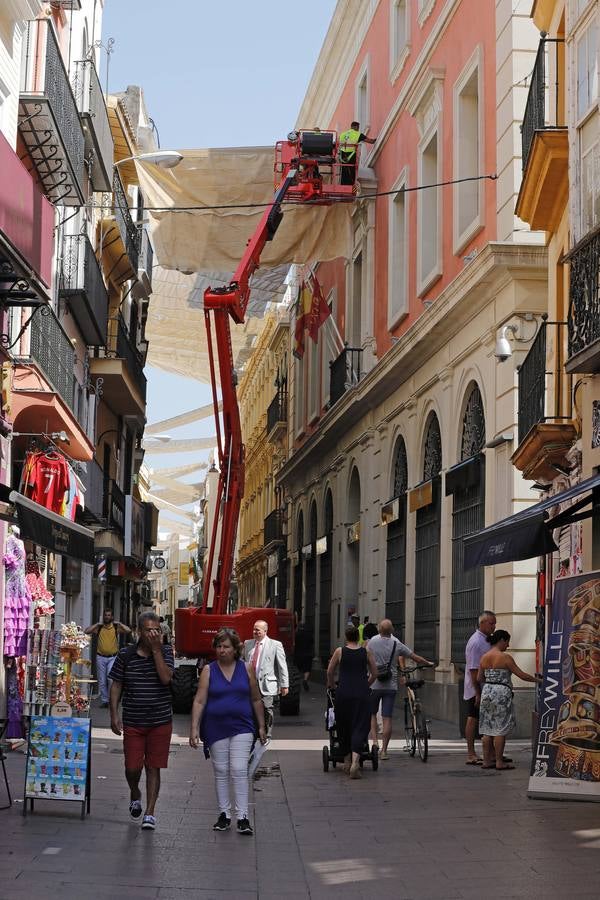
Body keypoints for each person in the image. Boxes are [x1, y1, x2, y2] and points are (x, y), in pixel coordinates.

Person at [189, 628, 266, 836]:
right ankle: (224, 814)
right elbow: (199, 699)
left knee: (239, 768)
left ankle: (243, 817)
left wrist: (261, 726)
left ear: (235, 649)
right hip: (215, 727)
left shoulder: (247, 668)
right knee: (221, 771)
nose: (221, 650)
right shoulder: (208, 670)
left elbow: (256, 698)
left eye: (226, 647)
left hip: (243, 725)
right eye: (218, 646)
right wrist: (194, 728)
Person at [109, 611, 174, 831]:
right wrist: (113, 715)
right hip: (133, 721)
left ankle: (150, 812)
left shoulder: (165, 651)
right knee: (132, 767)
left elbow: (166, 678)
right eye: (148, 630)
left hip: (160, 720)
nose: (153, 633)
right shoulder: (126, 654)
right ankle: (135, 792)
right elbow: (116, 685)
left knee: (153, 767)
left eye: (156, 629)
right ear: (138, 631)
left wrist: (156, 650)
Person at [367, 619, 434, 760]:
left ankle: (374, 743)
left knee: (372, 715)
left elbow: (364, 657)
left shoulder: (372, 642)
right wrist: (427, 663)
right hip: (390, 686)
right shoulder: (396, 643)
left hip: (374, 684)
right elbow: (414, 657)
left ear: (379, 630)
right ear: (391, 631)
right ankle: (384, 751)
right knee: (387, 718)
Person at [477, 630, 538, 770]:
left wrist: (490, 681)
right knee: (500, 729)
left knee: (487, 728)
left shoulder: (484, 657)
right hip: (501, 693)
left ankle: (486, 761)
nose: (508, 645)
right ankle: (499, 762)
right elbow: (522, 675)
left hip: (487, 692)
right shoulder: (505, 658)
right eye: (507, 641)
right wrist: (539, 680)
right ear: (502, 640)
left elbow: (479, 678)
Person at [326, 624, 378, 779]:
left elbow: (330, 671)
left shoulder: (340, 651)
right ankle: (356, 761)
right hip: (361, 693)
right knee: (360, 725)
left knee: (343, 725)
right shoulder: (366, 652)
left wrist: (333, 685)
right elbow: (375, 673)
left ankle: (347, 760)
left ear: (346, 637)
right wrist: (366, 684)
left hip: (344, 693)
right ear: (358, 637)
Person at [243, 620, 289, 738]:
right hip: (250, 683)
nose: (255, 632)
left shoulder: (275, 645)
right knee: (250, 707)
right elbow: (242, 662)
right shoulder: (248, 644)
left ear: (265, 631)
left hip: (266, 684)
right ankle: (253, 731)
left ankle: (266, 733)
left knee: (267, 708)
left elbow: (282, 665)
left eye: (257, 630)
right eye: (254, 629)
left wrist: (284, 684)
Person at [463, 610, 497, 765]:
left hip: (486, 687)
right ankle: (471, 753)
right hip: (476, 688)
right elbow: (473, 669)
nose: (494, 627)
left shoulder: (486, 640)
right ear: (482, 623)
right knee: (473, 718)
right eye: (491, 623)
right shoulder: (476, 642)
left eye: (495, 623)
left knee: (486, 719)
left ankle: (491, 753)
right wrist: (478, 692)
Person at [85, 609, 131, 707]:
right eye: (105, 615)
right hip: (100, 657)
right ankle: (105, 701)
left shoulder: (115, 627)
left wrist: (120, 623)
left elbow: (128, 630)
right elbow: (86, 631)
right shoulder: (99, 628)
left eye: (109, 615)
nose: (107, 617)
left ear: (112, 617)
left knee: (110, 679)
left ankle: (112, 699)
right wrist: (97, 624)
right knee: (102, 680)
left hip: (112, 657)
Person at [294, 620, 314, 692]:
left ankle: (297, 683)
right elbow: (312, 642)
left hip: (298, 654)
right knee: (307, 668)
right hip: (308, 654)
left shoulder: (296, 634)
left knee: (298, 669)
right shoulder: (309, 634)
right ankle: (305, 680)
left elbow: (294, 643)